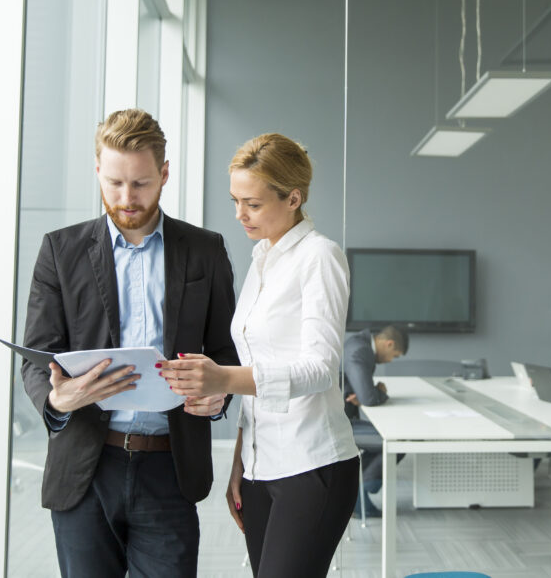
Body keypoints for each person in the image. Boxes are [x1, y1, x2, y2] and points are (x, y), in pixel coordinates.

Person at [20, 109, 239, 577]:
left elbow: (226, 351)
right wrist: (58, 398)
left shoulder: (205, 250)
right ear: (97, 168)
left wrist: (218, 394)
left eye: (140, 183)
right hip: (85, 467)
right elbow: (37, 356)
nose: (126, 197)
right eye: (114, 182)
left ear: (163, 173)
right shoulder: (61, 251)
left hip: (170, 468)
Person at [159, 133, 359, 578]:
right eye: (235, 201)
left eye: (252, 203)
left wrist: (222, 379)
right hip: (260, 466)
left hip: (313, 464)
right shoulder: (261, 259)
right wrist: (240, 463)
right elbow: (257, 375)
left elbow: (321, 369)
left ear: (293, 198)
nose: (239, 214)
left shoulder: (320, 257)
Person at [342, 324, 410, 517]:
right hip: (339, 426)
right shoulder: (360, 350)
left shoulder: (359, 343)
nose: (390, 360)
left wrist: (366, 394)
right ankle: (358, 495)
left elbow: (363, 394)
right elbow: (369, 399)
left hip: (344, 419)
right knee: (397, 441)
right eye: (394, 355)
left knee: (388, 437)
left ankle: (355, 493)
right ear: (389, 344)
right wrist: (379, 391)